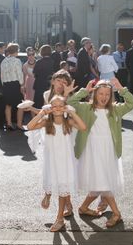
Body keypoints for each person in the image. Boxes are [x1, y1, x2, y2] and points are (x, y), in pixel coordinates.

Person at [67, 77, 133, 228]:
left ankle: (84, 208)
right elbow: (70, 103)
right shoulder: (86, 108)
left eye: (107, 94)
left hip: (108, 150)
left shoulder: (115, 109)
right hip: (92, 150)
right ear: (94, 94)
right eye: (101, 94)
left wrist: (121, 88)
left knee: (100, 180)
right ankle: (116, 213)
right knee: (101, 180)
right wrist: (84, 91)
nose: (104, 97)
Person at [26, 95, 87, 232]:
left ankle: (59, 219)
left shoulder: (68, 121)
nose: (58, 108)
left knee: (63, 189)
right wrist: (42, 113)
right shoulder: (47, 121)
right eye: (54, 106)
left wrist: (71, 112)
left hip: (65, 161)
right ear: (50, 108)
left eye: (61, 106)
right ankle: (47, 194)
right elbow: (30, 126)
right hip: (52, 160)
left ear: (65, 107)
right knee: (53, 181)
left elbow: (83, 127)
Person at [0, 43, 24, 131]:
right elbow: (19, 74)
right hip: (15, 84)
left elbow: (1, 75)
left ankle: (9, 124)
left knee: (8, 105)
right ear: (16, 51)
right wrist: (22, 84)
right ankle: (19, 124)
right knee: (21, 105)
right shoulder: (17, 61)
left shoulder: (3, 61)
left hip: (6, 85)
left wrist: (4, 84)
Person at [33, 45, 55, 109]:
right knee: (48, 102)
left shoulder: (39, 62)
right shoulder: (53, 61)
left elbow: (35, 73)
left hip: (39, 84)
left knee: (38, 103)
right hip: (49, 84)